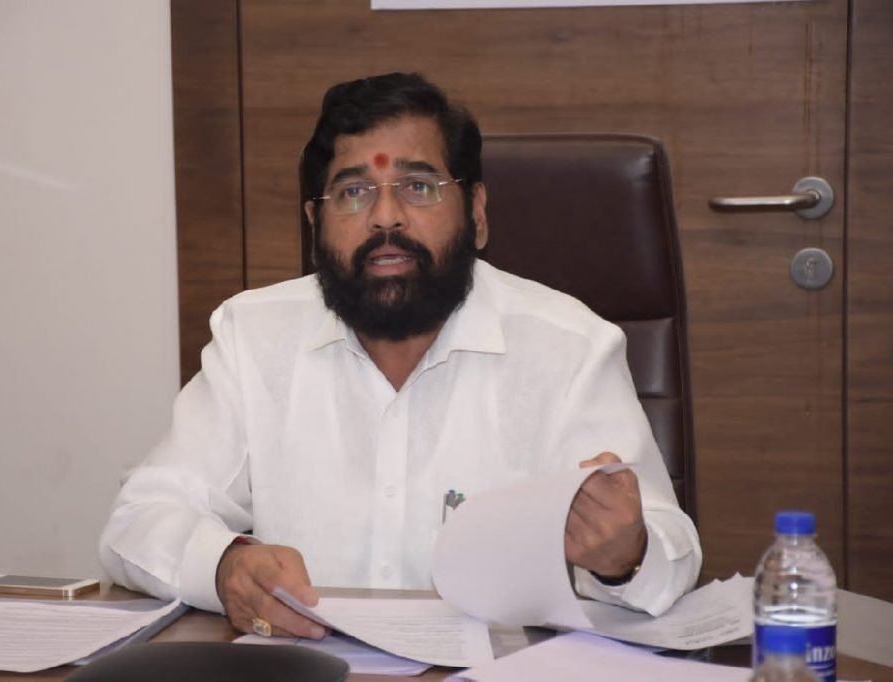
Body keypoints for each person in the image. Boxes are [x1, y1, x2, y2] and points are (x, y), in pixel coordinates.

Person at [99, 72, 702, 640]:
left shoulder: (568, 347)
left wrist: (626, 555)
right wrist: (224, 564)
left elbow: (671, 551)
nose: (385, 217)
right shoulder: (253, 337)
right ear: (315, 224)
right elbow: (141, 518)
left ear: (477, 212)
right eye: (353, 191)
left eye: (418, 187)